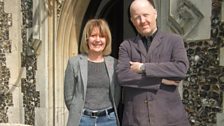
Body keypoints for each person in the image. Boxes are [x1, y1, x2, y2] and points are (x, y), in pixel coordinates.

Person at [116, 0, 190, 126]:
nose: (142, 20)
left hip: (169, 118)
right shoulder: (126, 46)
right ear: (132, 21)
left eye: (145, 15)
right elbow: (122, 76)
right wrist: (160, 80)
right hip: (136, 118)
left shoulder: (174, 40)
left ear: (155, 13)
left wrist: (143, 68)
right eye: (137, 17)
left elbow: (181, 69)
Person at [64, 19, 120, 126]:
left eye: (102, 36)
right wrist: (80, 112)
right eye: (93, 35)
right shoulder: (74, 63)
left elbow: (117, 93)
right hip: (82, 120)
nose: (97, 40)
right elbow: (68, 96)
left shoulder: (114, 63)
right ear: (87, 39)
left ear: (107, 40)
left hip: (108, 120)